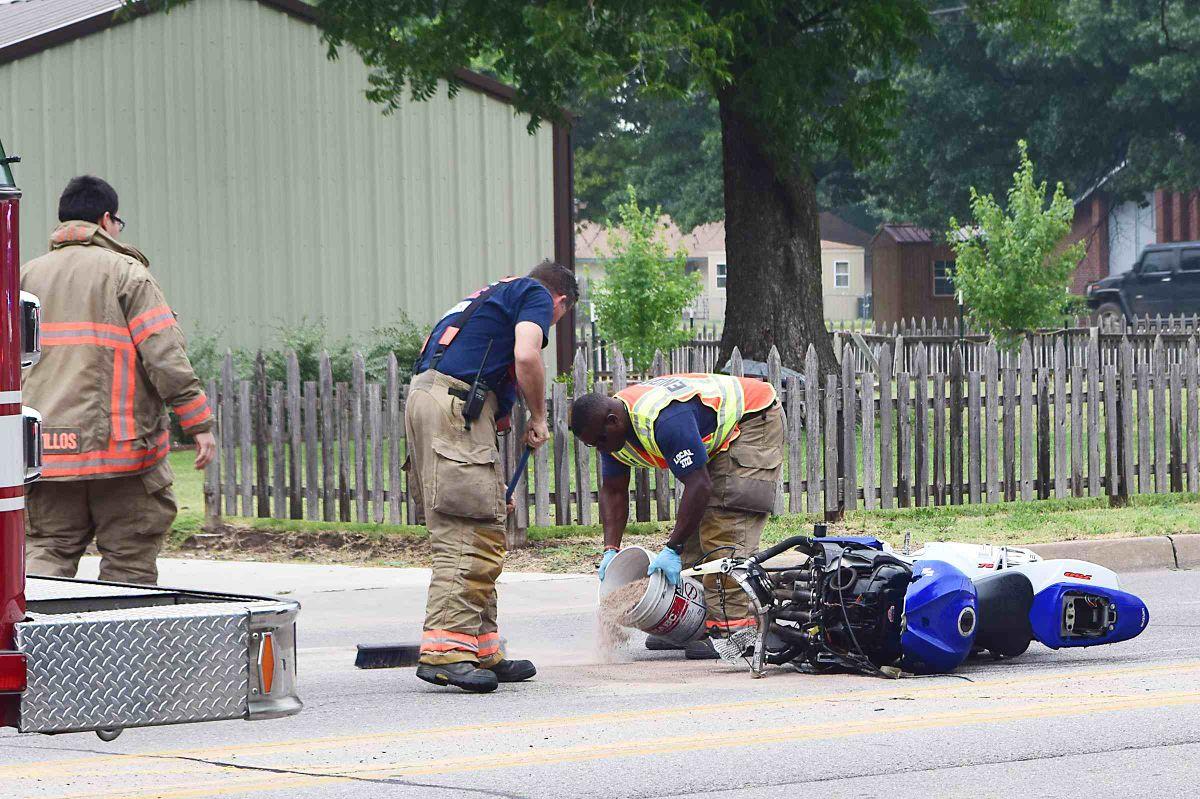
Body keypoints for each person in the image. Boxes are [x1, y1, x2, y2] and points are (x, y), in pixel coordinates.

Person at [21, 176, 217, 585]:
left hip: (44, 455)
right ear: (107, 220)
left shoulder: (24, 277)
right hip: (124, 457)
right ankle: (124, 647)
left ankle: (34, 646)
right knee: (129, 564)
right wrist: (198, 423)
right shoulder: (128, 274)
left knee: (45, 556)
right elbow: (164, 355)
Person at [407, 259, 577, 693]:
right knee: (470, 530)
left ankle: (480, 647)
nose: (551, 324)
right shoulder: (535, 294)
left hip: (437, 403)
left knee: (482, 518)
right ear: (560, 301)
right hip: (454, 407)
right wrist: (539, 416)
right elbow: (526, 355)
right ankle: (446, 652)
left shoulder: (488, 299)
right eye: (558, 317)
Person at [569, 373, 784, 659]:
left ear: (612, 420)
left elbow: (700, 485)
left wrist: (672, 548)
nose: (599, 449)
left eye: (599, 441)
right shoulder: (610, 434)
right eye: (591, 445)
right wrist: (611, 549)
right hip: (713, 432)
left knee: (724, 528)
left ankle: (735, 632)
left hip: (752, 418)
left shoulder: (665, 421)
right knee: (692, 538)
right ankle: (694, 626)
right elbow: (614, 491)